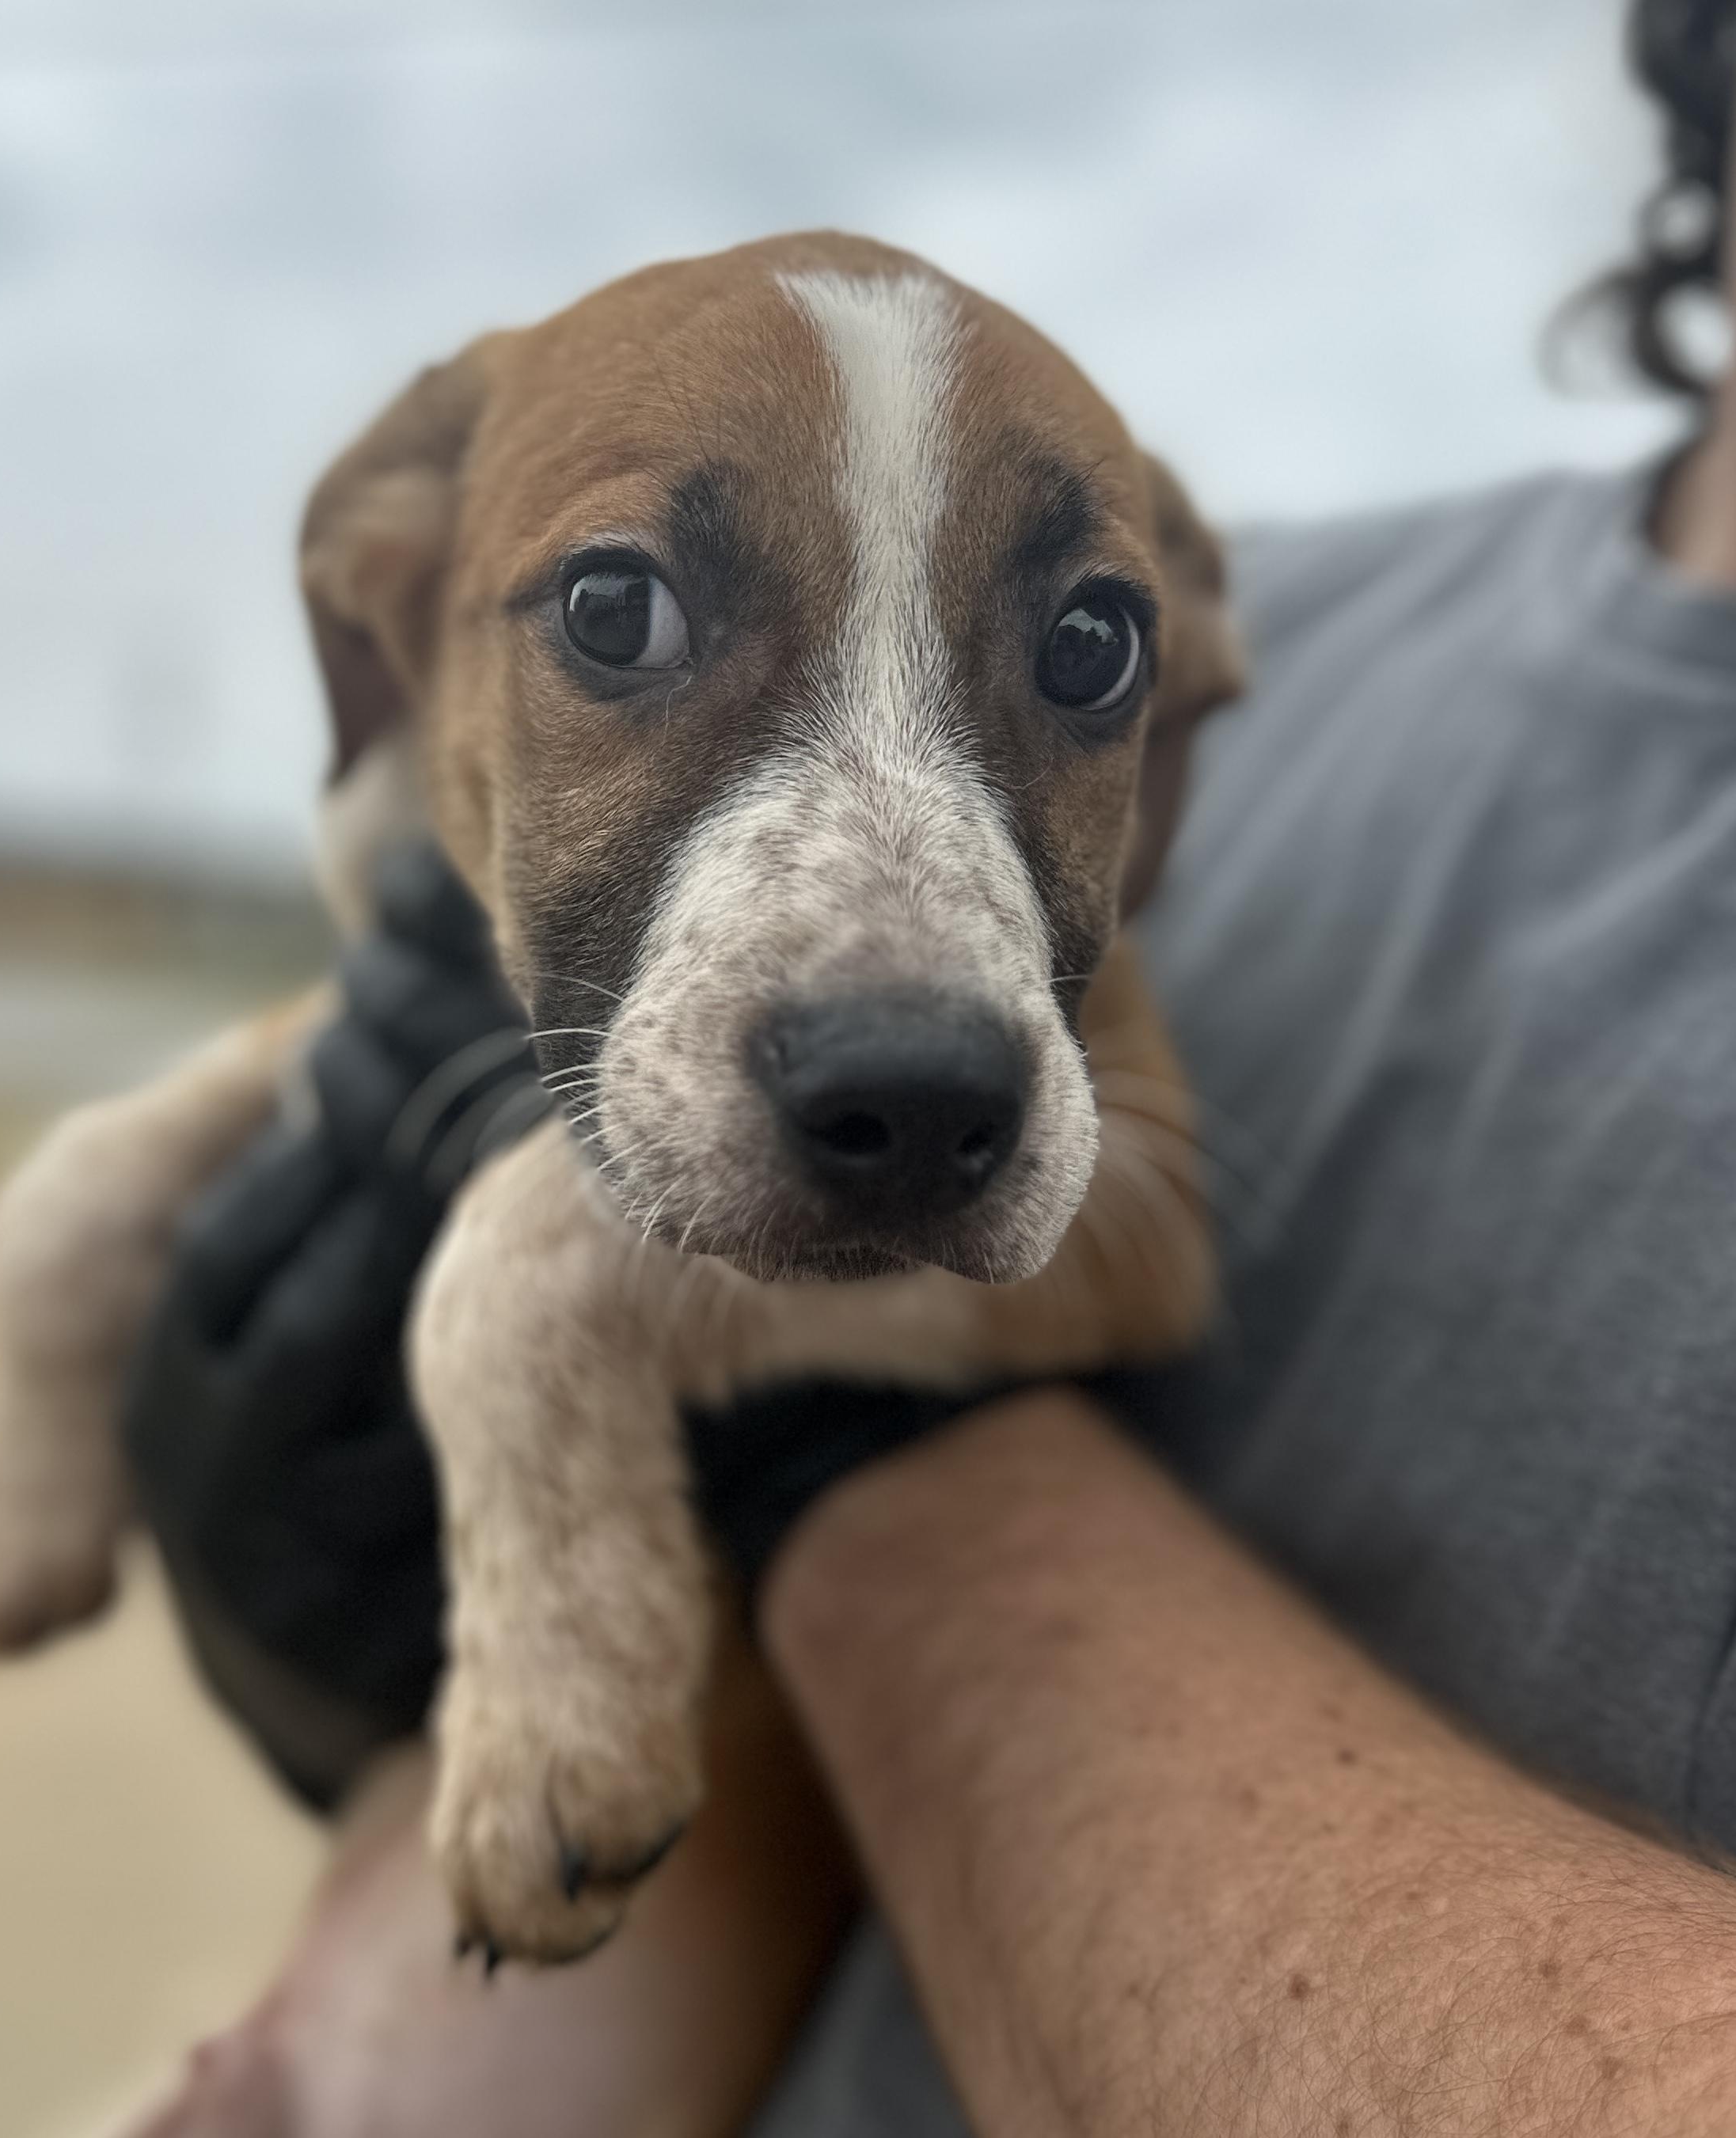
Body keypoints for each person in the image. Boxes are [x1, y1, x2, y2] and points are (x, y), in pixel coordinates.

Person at [116, 2, 1736, 2129]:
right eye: (621, 613)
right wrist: (307, 1649)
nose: (903, 915)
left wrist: (790, 1455)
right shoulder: (1284, 623)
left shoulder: (1168, 617)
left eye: (1082, 662)